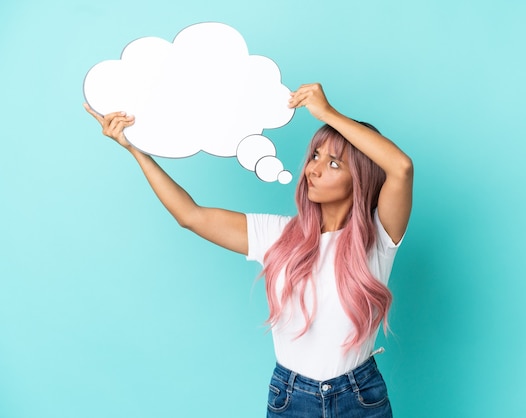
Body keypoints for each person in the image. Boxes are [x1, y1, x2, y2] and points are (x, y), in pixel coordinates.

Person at [84, 83, 413, 417]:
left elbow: (400, 168)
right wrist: (134, 149)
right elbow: (191, 216)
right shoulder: (278, 234)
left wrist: (328, 114)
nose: (312, 168)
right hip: (291, 397)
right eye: (315, 155)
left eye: (333, 164)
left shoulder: (379, 236)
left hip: (359, 396)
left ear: (359, 177)